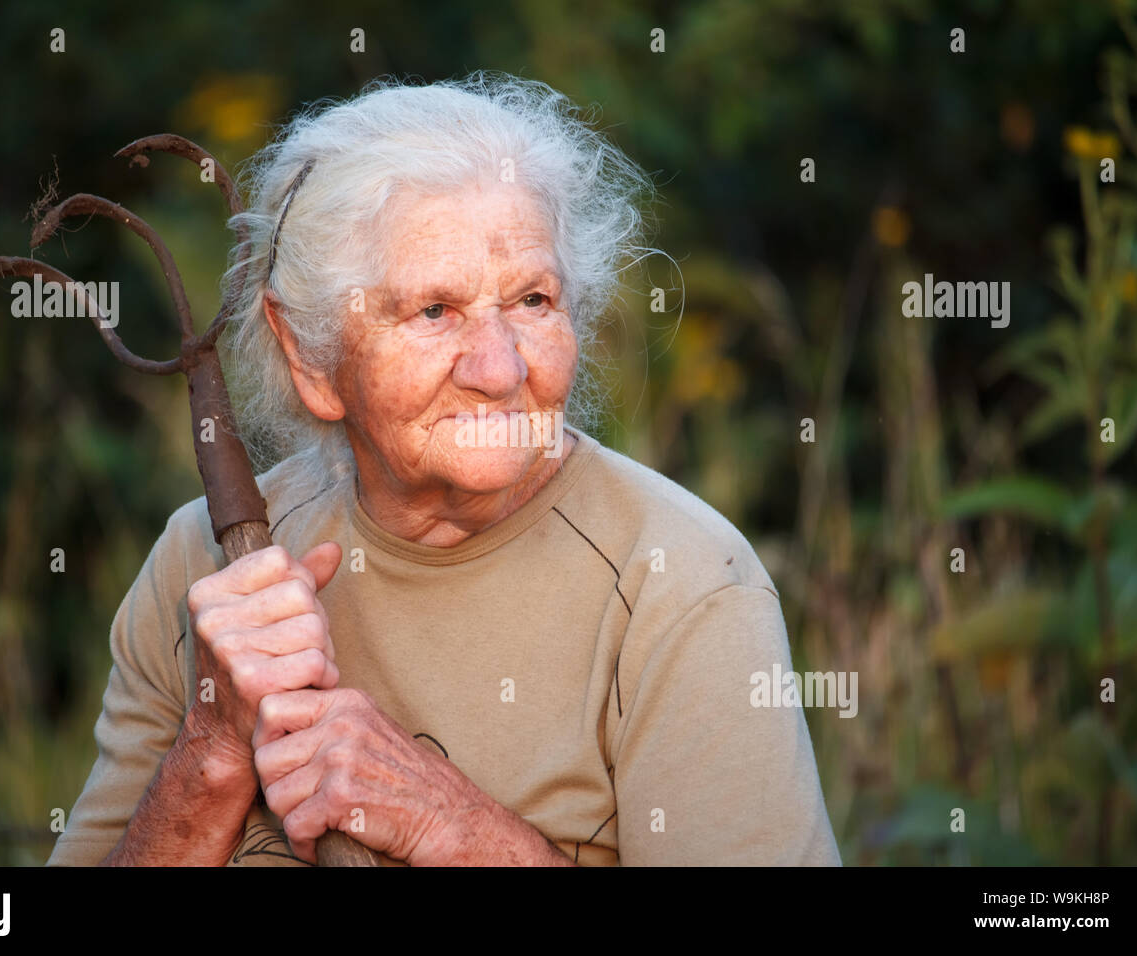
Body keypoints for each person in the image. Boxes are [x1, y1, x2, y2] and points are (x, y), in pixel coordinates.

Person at [47, 71, 841, 866]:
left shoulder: (681, 585)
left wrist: (449, 829)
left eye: (533, 301)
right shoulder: (203, 573)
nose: (499, 368)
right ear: (309, 356)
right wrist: (212, 754)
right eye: (434, 312)